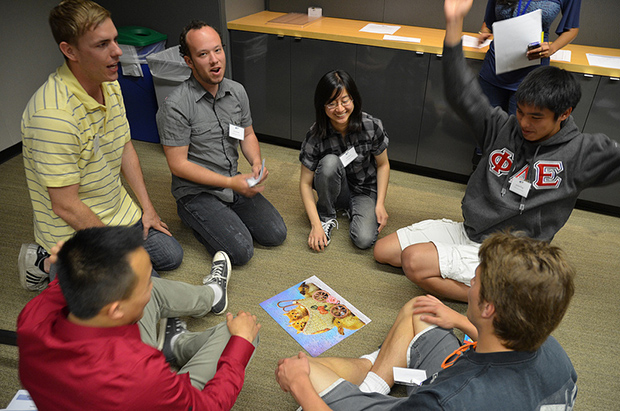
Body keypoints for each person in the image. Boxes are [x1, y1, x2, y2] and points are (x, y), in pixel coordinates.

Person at [374, 0, 619, 302]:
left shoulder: (582, 153)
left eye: (536, 117)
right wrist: (453, 23)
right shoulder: (502, 127)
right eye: (522, 112)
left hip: (513, 251)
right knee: (382, 252)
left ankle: (498, 295)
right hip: (472, 229)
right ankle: (479, 274)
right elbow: (461, 93)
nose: (525, 123)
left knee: (413, 261)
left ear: (564, 113)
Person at [275, 231, 577, 410]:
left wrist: (299, 385)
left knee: (304, 371)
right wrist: (460, 320)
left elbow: (451, 399)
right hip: (473, 384)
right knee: (420, 310)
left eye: (474, 282)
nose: (468, 286)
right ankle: (376, 376)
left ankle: (372, 379)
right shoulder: (555, 355)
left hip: (437, 398)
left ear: (489, 309)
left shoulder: (444, 402)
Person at [19, 0, 183, 291]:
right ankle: (46, 261)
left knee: (171, 255)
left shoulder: (108, 82)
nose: (118, 51)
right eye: (103, 44)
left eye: (116, 40)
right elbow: (65, 205)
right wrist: (116, 249)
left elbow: (125, 147)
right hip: (74, 232)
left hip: (118, 213)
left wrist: (147, 208)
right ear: (70, 51)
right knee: (141, 294)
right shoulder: (52, 117)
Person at [18, 225, 260, 411]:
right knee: (240, 337)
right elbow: (207, 406)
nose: (151, 287)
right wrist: (240, 346)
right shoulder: (139, 374)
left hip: (105, 378)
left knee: (135, 287)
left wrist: (70, 258)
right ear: (116, 311)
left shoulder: (32, 318)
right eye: (146, 285)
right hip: (138, 388)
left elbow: (66, 282)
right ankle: (180, 342)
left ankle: (207, 303)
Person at [156, 21, 286, 266]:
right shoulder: (175, 106)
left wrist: (256, 163)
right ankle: (194, 217)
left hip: (231, 180)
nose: (214, 60)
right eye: (203, 54)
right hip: (196, 192)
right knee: (241, 252)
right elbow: (178, 165)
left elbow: (247, 135)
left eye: (217, 50)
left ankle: (221, 216)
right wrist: (230, 183)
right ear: (189, 61)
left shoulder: (236, 92)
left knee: (276, 234)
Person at [299, 70, 390, 251]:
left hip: (364, 190)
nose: (340, 109)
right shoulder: (315, 134)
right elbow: (304, 184)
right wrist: (316, 224)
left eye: (345, 101)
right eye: (331, 103)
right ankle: (327, 214)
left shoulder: (371, 126)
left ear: (354, 99)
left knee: (364, 240)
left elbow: (383, 165)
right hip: (334, 188)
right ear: (322, 106)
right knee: (330, 162)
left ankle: (353, 210)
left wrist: (380, 204)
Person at [478, 0, 581, 115]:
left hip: (530, 76)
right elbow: (488, 22)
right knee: (485, 126)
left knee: (518, 129)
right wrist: (484, 32)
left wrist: (552, 48)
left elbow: (571, 29)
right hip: (494, 69)